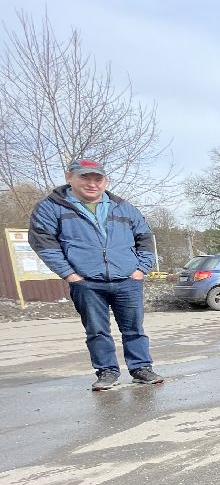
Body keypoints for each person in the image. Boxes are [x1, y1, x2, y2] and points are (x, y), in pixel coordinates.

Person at [29, 158, 164, 390]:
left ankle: (141, 368)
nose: (92, 183)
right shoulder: (51, 207)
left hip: (127, 280)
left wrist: (141, 269)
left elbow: (145, 238)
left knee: (134, 329)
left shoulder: (123, 207)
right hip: (86, 282)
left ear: (105, 181)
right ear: (69, 177)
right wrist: (70, 274)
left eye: (97, 178)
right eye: (85, 177)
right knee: (96, 330)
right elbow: (43, 242)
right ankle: (107, 372)